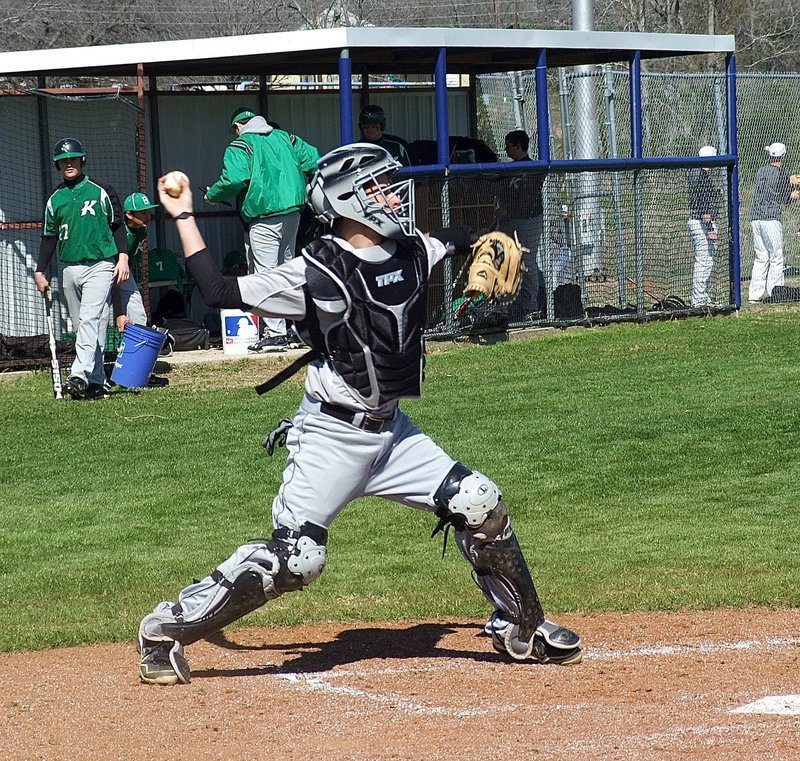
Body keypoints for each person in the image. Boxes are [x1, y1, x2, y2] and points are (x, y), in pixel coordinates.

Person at [136, 143, 582, 686]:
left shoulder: (412, 249)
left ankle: (523, 626)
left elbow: (454, 240)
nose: (396, 196)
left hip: (392, 434)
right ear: (348, 199)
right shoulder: (315, 270)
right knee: (297, 559)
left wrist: (490, 238)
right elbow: (218, 290)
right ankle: (165, 628)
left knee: (479, 501)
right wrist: (182, 215)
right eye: (380, 187)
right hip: (330, 437)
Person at [205, 107, 319, 351]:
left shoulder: (241, 145)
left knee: (266, 275)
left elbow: (234, 179)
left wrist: (213, 195)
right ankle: (297, 327)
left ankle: (275, 333)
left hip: (264, 216)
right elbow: (314, 158)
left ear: (238, 127)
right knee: (289, 271)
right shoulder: (285, 137)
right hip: (293, 213)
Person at [33, 138, 130, 401]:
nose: (69, 163)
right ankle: (96, 383)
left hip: (100, 265)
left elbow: (118, 225)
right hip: (70, 269)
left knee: (88, 320)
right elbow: (49, 237)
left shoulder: (101, 191)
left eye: (73, 159)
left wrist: (123, 257)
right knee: (86, 328)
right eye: (64, 160)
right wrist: (40, 270)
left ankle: (78, 375)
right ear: (57, 165)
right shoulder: (55, 199)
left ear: (82, 161)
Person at [108, 192, 169, 388]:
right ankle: (96, 376)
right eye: (142, 213)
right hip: (106, 275)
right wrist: (118, 311)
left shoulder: (141, 229)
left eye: (148, 212)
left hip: (125, 277)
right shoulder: (120, 233)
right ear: (129, 215)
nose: (147, 216)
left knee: (140, 318)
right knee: (98, 323)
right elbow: (113, 271)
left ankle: (138, 372)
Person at [496, 130, 545, 320]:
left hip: (529, 220)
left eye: (509, 145)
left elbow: (529, 198)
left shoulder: (533, 169)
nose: (506, 149)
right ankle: (513, 302)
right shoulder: (508, 169)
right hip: (510, 221)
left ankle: (531, 305)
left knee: (527, 260)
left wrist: (508, 209)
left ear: (518, 146)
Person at [749, 142, 799, 302]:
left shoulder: (760, 171)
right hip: (771, 219)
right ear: (783, 156)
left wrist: (787, 182)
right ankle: (776, 292)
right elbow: (785, 198)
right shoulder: (781, 175)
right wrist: (794, 194)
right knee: (776, 256)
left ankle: (754, 295)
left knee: (761, 257)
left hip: (755, 217)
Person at [687, 146, 721, 307]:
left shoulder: (699, 173)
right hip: (702, 223)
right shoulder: (700, 174)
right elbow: (702, 204)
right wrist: (710, 229)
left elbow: (704, 194)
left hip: (701, 222)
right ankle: (698, 298)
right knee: (704, 260)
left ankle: (702, 295)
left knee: (707, 259)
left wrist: (717, 191)